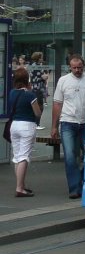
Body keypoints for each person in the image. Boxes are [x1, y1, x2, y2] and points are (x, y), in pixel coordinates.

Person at [51, 54, 85, 199]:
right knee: (69, 156)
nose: (77, 70)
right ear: (70, 67)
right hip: (67, 122)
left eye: (79, 67)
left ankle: (80, 180)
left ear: (83, 66)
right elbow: (57, 104)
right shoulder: (63, 81)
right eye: (74, 68)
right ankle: (74, 188)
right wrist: (54, 126)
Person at [8, 68, 42, 197]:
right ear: (27, 80)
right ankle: (19, 188)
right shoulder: (30, 95)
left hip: (14, 125)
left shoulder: (12, 93)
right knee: (24, 157)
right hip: (27, 126)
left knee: (17, 156)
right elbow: (37, 113)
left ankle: (21, 185)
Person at [29, 52, 49, 129]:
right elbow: (34, 78)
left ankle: (36, 123)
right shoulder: (35, 66)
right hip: (37, 88)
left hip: (39, 88)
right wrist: (43, 77)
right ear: (37, 58)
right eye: (41, 57)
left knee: (39, 105)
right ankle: (36, 124)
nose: (42, 59)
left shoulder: (38, 65)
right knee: (39, 105)